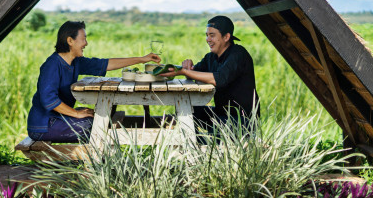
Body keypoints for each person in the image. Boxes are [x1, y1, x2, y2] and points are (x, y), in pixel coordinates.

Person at [27, 20, 161, 143]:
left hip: (58, 119)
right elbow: (48, 100)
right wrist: (76, 113)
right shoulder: (52, 65)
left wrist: (142, 59)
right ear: (70, 41)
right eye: (83, 39)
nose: (86, 43)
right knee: (94, 126)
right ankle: (93, 161)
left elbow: (106, 64)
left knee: (98, 118)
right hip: (43, 125)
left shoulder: (76, 62)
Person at [160, 15, 258, 134]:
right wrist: (188, 68)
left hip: (242, 119)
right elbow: (194, 73)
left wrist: (185, 71)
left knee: (212, 134)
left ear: (226, 37)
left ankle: (202, 144)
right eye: (207, 35)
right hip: (221, 113)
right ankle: (189, 144)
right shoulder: (211, 57)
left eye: (212, 35)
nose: (208, 39)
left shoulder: (238, 54)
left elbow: (220, 79)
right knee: (189, 112)